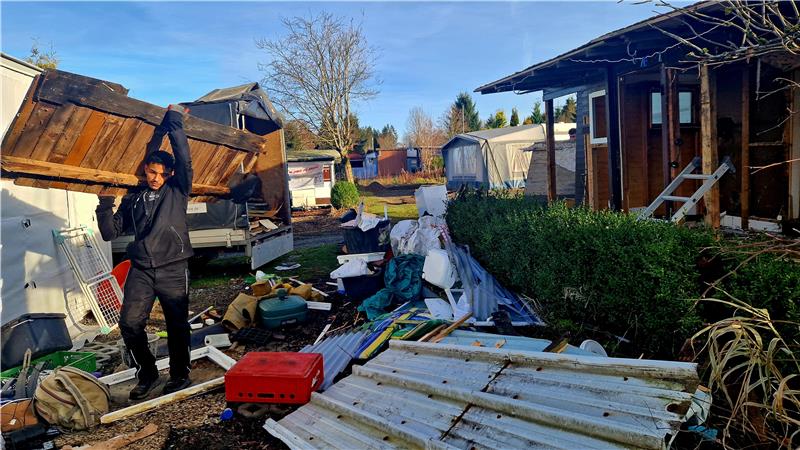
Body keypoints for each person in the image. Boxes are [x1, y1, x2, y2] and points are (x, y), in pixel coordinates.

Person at [96, 105, 194, 400]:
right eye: (151, 172)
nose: (155, 177)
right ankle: (148, 374)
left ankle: (179, 375)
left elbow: (185, 159)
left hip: (173, 267)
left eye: (161, 173)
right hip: (141, 268)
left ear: (170, 174)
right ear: (145, 171)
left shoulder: (178, 190)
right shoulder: (133, 198)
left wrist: (174, 121)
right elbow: (109, 233)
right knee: (129, 323)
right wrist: (104, 203)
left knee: (176, 325)